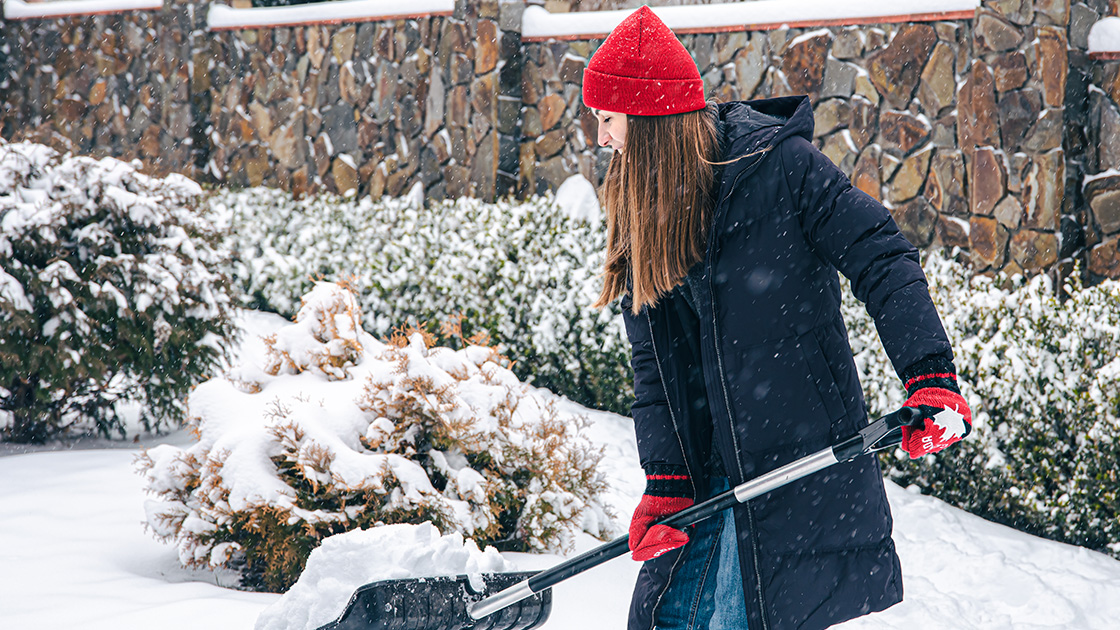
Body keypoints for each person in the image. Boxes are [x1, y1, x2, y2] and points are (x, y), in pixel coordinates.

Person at [581, 6, 972, 630]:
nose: (600, 138)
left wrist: (930, 377)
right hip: (709, 482)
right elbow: (654, 366)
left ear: (651, 121)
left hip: (796, 468)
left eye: (607, 120)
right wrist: (666, 479)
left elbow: (881, 254)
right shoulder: (641, 201)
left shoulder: (782, 170)